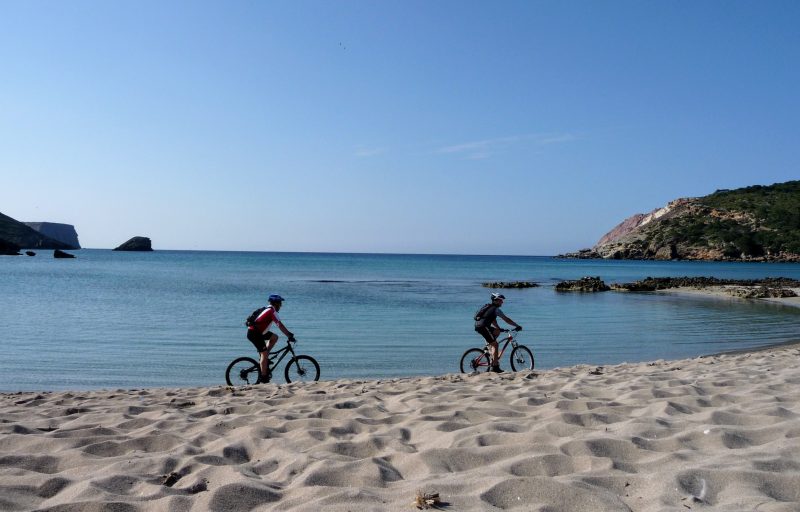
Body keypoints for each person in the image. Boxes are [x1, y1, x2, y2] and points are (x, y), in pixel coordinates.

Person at [247, 294, 295, 383]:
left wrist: (288, 334)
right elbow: (279, 325)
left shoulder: (267, 309)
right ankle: (263, 377)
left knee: (274, 337)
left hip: (258, 332)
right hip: (255, 333)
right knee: (264, 354)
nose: (281, 306)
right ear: (276, 304)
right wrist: (288, 335)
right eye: (280, 304)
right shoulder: (271, 311)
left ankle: (265, 358)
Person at [474, 292, 522, 373]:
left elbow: (493, 321)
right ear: (495, 300)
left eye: (502, 300)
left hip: (479, 326)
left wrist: (499, 328)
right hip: (484, 327)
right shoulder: (496, 309)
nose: (502, 302)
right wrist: (517, 326)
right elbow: (506, 319)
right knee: (495, 345)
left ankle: (489, 347)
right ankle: (495, 367)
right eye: (500, 300)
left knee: (497, 332)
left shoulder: (489, 307)